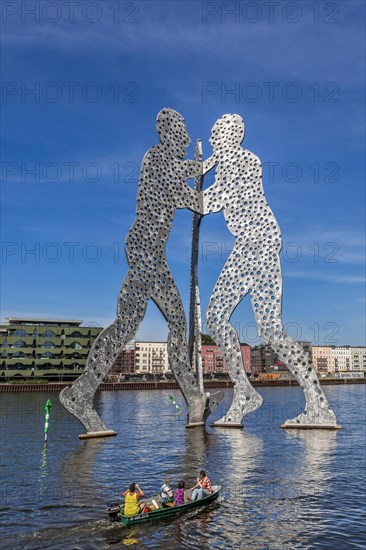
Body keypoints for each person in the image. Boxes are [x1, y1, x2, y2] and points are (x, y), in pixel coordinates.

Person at [60, 108, 223, 433]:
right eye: (183, 134)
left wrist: (209, 163)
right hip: (147, 252)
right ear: (169, 134)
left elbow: (190, 169)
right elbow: (197, 201)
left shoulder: (164, 161)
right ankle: (191, 399)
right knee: (171, 323)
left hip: (147, 251)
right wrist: (218, 179)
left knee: (130, 325)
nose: (188, 139)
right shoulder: (159, 160)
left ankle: (81, 392)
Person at [202, 113, 338, 428]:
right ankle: (315, 404)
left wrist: (177, 193)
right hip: (257, 244)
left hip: (254, 245)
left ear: (229, 137)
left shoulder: (241, 161)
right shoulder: (234, 161)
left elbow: (211, 200)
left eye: (214, 135)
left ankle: (247, 393)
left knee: (217, 317)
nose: (210, 140)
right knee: (269, 330)